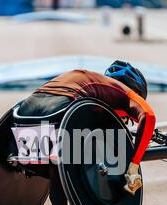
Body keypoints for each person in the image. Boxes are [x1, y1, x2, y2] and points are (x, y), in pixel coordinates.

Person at [18, 60, 156, 195]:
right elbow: (148, 116)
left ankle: (35, 164)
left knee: (38, 161)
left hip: (25, 110)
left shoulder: (95, 84)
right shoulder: (125, 92)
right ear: (137, 92)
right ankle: (55, 167)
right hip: (61, 107)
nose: (124, 119)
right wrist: (134, 165)